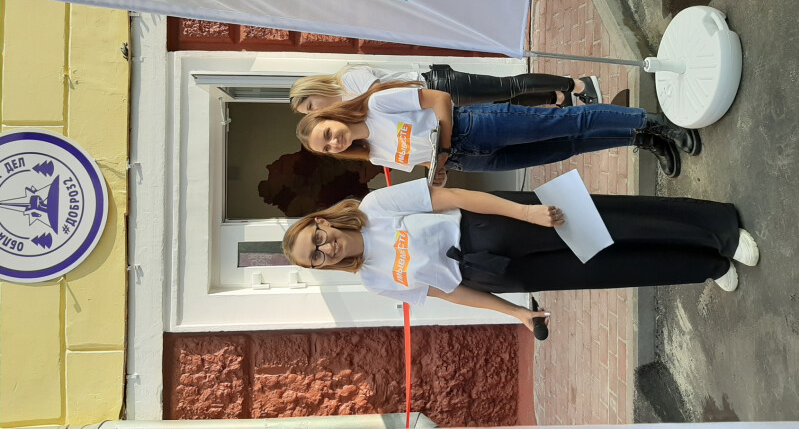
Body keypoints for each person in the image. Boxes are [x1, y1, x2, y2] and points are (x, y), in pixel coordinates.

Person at [282, 179, 759, 332]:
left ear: (322, 222)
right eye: (316, 258)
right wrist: (517, 314)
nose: (325, 249)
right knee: (608, 268)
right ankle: (708, 265)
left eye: (316, 239)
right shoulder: (373, 280)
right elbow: (451, 293)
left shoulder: (375, 207)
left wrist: (526, 212)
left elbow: (455, 197)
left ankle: (719, 231)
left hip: (495, 222)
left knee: (614, 224)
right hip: (498, 273)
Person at [296, 81, 701, 180]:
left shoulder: (377, 104)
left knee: (567, 121)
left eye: (327, 133)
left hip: (476, 127)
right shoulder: (373, 154)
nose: (334, 142)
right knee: (567, 147)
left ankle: (655, 123)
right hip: (472, 160)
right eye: (327, 148)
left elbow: (439, 100)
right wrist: (438, 172)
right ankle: (640, 139)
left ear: (331, 116)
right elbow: (424, 159)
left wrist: (443, 148)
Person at [289, 64, 603, 113]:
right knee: (506, 100)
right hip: (437, 99)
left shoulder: (348, 80)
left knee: (508, 87)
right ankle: (557, 97)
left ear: (314, 90)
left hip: (438, 85)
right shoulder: (347, 98)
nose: (316, 112)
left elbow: (382, 95)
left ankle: (577, 85)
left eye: (311, 106)